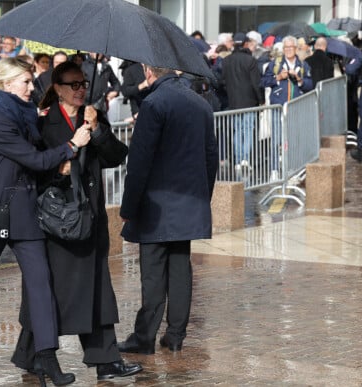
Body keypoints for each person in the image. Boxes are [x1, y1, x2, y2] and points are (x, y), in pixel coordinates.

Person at [0, 57, 91, 384]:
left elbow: (38, 150)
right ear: (6, 84)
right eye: (26, 82)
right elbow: (34, 158)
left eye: (32, 82)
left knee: (40, 284)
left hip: (24, 210)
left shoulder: (26, 115)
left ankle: (48, 358)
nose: (33, 88)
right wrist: (72, 145)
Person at [11, 60, 142, 381]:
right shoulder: (43, 123)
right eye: (74, 84)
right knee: (49, 289)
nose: (81, 89)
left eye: (83, 83)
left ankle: (106, 360)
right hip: (56, 220)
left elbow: (115, 155)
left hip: (89, 218)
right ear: (57, 88)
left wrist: (96, 129)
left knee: (96, 288)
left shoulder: (92, 115)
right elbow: (30, 166)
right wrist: (58, 170)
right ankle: (31, 354)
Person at [117, 64, 218, 355]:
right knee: (179, 268)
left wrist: (129, 205)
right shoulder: (201, 104)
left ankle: (144, 336)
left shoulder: (153, 103)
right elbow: (211, 156)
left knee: (153, 272)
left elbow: (139, 161)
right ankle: (175, 335)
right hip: (188, 201)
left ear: (149, 71)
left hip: (157, 203)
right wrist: (203, 197)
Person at [261, 35, 312, 179]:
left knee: (294, 139)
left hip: (295, 108)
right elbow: (264, 81)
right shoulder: (275, 64)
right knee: (276, 139)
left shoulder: (303, 65)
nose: (288, 50)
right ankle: (274, 171)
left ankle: (292, 169)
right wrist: (278, 78)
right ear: (283, 49)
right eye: (286, 47)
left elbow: (310, 84)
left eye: (291, 47)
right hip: (278, 106)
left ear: (296, 49)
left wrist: (300, 80)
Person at [222, 32, 264, 173]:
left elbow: (223, 81)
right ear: (246, 43)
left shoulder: (227, 61)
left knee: (237, 131)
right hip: (249, 101)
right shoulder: (250, 60)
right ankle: (245, 159)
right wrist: (261, 100)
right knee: (247, 131)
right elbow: (256, 83)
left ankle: (238, 160)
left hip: (233, 101)